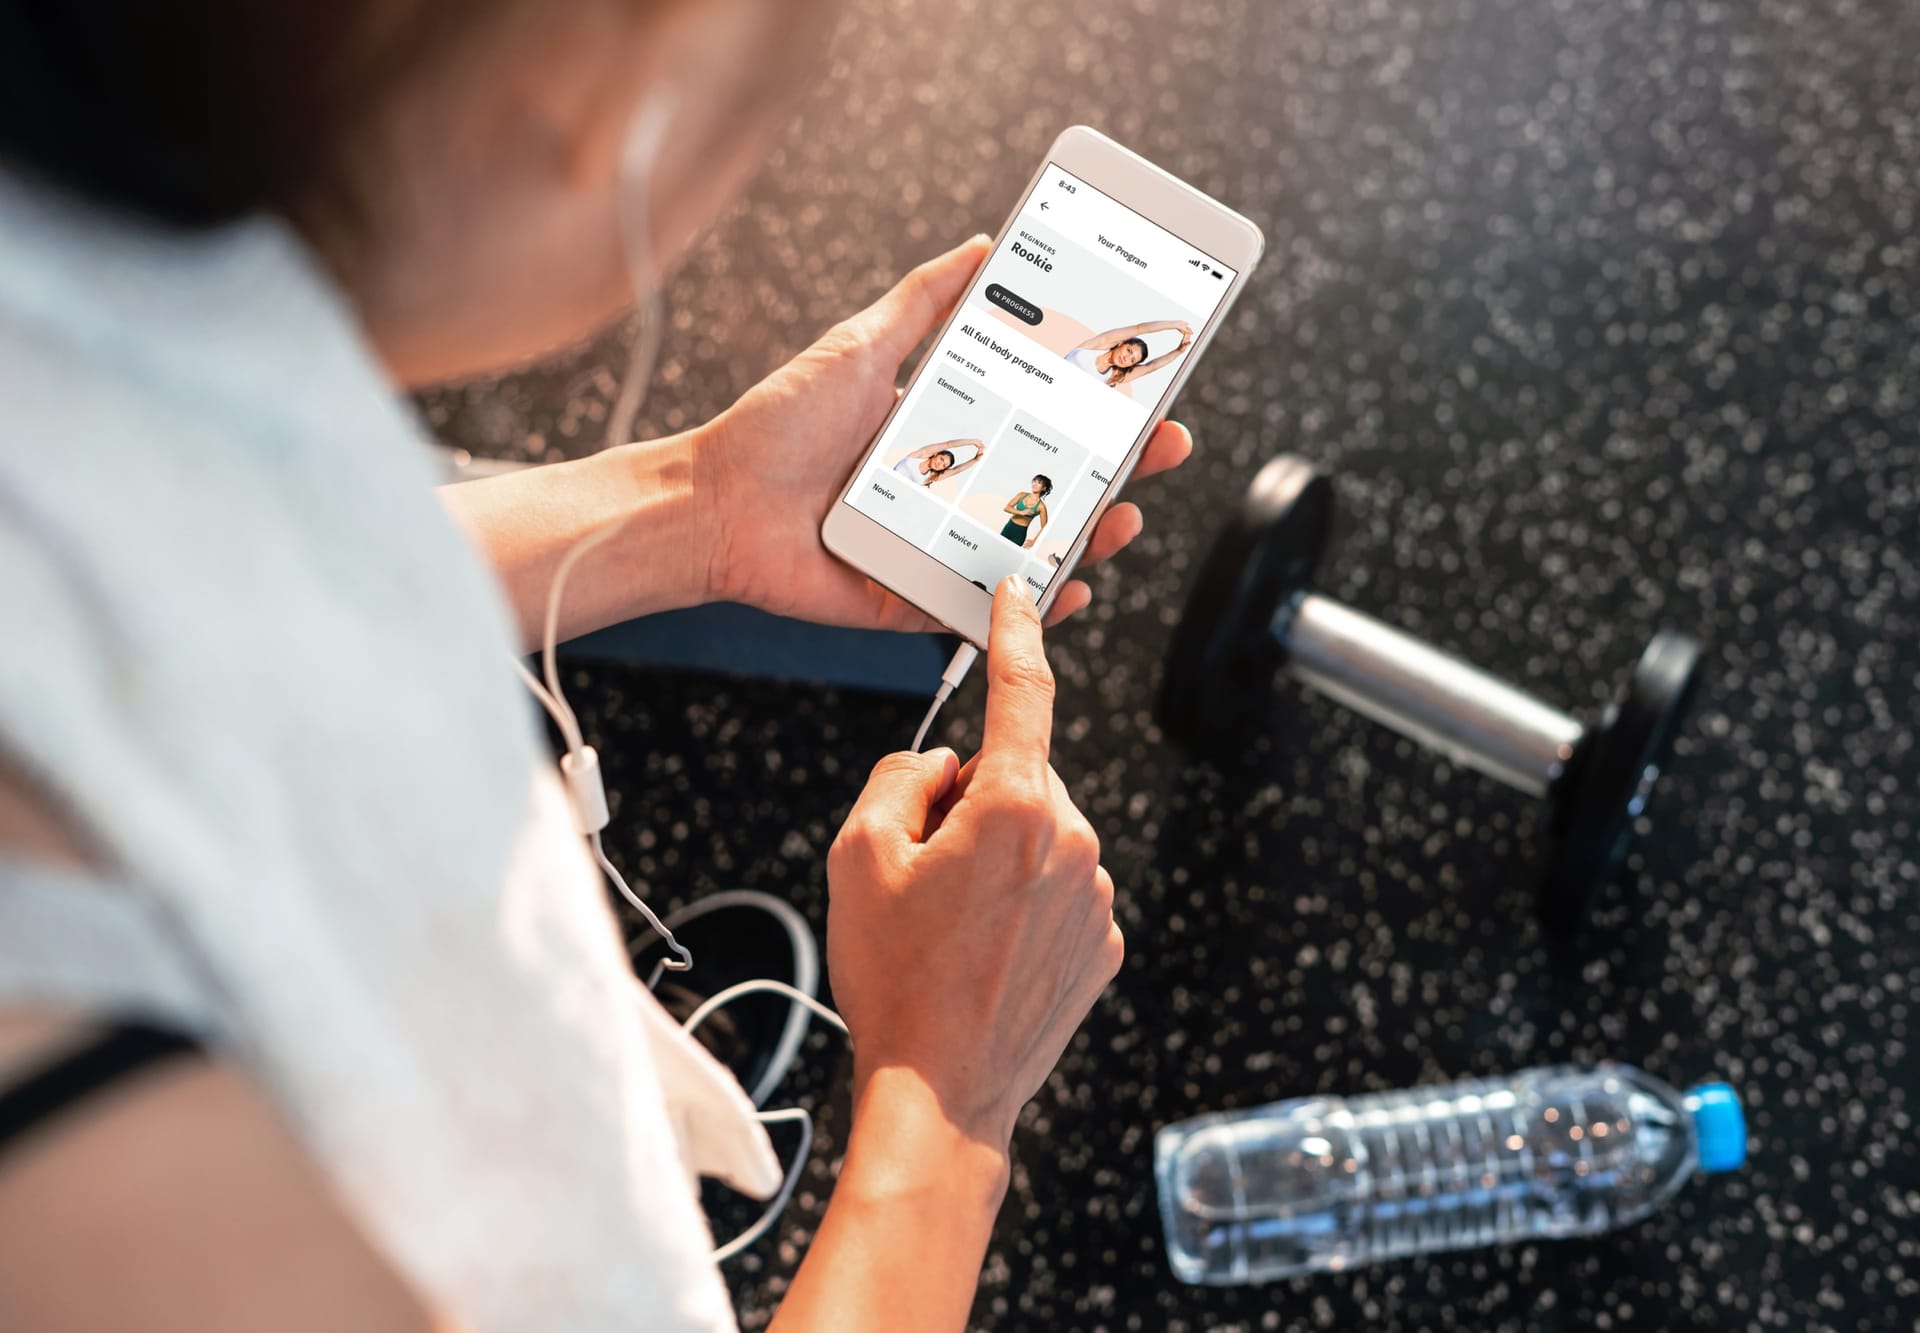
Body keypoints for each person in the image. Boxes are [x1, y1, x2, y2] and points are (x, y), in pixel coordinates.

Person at [0, 2, 1199, 1331]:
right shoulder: (72, 1110)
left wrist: (701, 503)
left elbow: (178, 582)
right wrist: (946, 1107)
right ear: (603, 93)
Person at [1064, 317, 1194, 388]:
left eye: (1132, 360)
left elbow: (1150, 367)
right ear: (1121, 343)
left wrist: (1179, 351)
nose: (1126, 358)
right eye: (1129, 350)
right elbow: (1139, 328)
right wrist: (1174, 324)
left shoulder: (1114, 376)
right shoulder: (1100, 344)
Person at [890, 438, 984, 487]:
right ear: (936, 454)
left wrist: (976, 459)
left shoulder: (931, 477)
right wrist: (972, 441)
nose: (940, 464)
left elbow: (957, 470)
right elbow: (948, 444)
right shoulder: (921, 455)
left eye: (944, 465)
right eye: (941, 459)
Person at [1000, 475, 1054, 547]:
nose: (1035, 484)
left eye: (1039, 483)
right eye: (1034, 481)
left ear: (1044, 488)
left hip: (1020, 534)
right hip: (1009, 527)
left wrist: (1034, 541)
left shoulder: (1041, 507)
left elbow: (1045, 527)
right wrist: (1021, 512)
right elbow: (1006, 508)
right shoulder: (1021, 495)